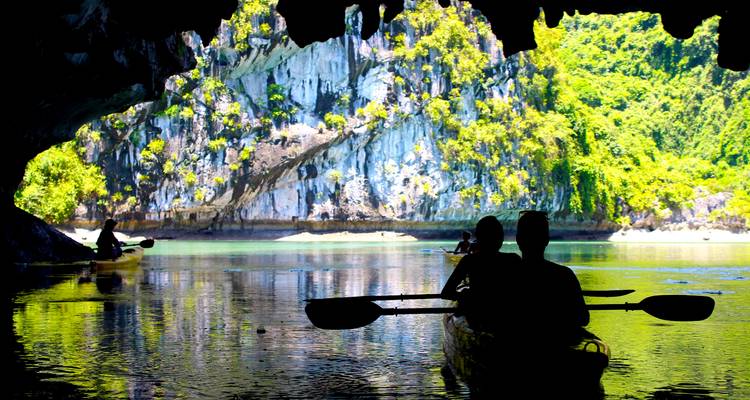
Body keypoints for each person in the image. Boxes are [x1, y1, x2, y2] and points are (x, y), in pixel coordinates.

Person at [515, 210, 589, 345]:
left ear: (518, 240)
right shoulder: (564, 275)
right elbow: (583, 319)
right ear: (547, 241)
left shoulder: (506, 275)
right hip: (558, 345)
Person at [441, 216, 521, 331]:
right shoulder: (513, 259)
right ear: (501, 238)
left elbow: (446, 293)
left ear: (478, 238)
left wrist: (464, 295)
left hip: (477, 316)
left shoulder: (469, 261)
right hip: (504, 317)